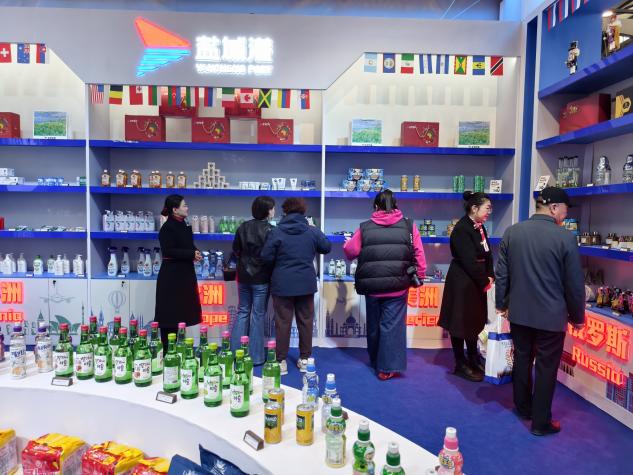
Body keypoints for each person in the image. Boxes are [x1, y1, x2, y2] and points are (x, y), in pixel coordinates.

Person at [495, 187, 585, 436]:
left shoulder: (513, 232)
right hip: (551, 317)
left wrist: (501, 303)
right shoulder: (565, 238)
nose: (565, 216)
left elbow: (502, 274)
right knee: (546, 367)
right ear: (554, 207)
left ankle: (523, 407)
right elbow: (574, 284)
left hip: (520, 314)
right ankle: (540, 422)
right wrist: (578, 317)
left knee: (522, 359)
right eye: (565, 211)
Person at [343, 190, 426, 381]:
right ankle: (386, 367)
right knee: (392, 326)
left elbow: (350, 251)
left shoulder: (365, 227)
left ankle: (375, 359)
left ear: (375, 206)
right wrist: (420, 275)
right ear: (396, 204)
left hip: (372, 286)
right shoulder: (409, 226)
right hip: (398, 285)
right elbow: (419, 254)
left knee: (374, 325)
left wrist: (347, 243)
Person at [261, 197, 331, 375]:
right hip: (306, 283)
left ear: (285, 211)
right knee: (306, 322)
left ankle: (281, 361)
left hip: (282, 283)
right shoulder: (311, 231)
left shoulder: (276, 232)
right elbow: (326, 247)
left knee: (282, 322)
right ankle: (305, 359)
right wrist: (315, 229)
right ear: (303, 212)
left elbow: (266, 257)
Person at [439, 191, 494, 382]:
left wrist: (490, 274)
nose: (489, 212)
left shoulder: (480, 226)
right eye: (487, 208)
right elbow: (469, 261)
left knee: (473, 320)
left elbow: (487, 253)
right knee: (459, 322)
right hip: (462, 281)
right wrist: (484, 280)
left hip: (476, 280)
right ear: (474, 208)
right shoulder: (462, 229)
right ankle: (460, 363)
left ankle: (473, 356)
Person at [230, 196, 275, 365]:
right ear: (267, 211)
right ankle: (256, 357)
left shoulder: (243, 227)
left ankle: (235, 354)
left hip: (243, 275)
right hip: (261, 277)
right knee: (258, 315)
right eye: (272, 208)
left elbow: (236, 250)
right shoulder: (271, 230)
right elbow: (271, 255)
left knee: (242, 311)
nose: (274, 211)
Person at [154, 195, 202, 348]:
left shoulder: (184, 225)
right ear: (175, 210)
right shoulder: (167, 228)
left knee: (181, 316)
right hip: (171, 278)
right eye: (184, 205)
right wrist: (190, 254)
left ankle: (179, 349)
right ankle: (168, 350)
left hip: (184, 276)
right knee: (170, 317)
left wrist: (195, 252)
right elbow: (169, 251)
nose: (187, 208)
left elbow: (186, 245)